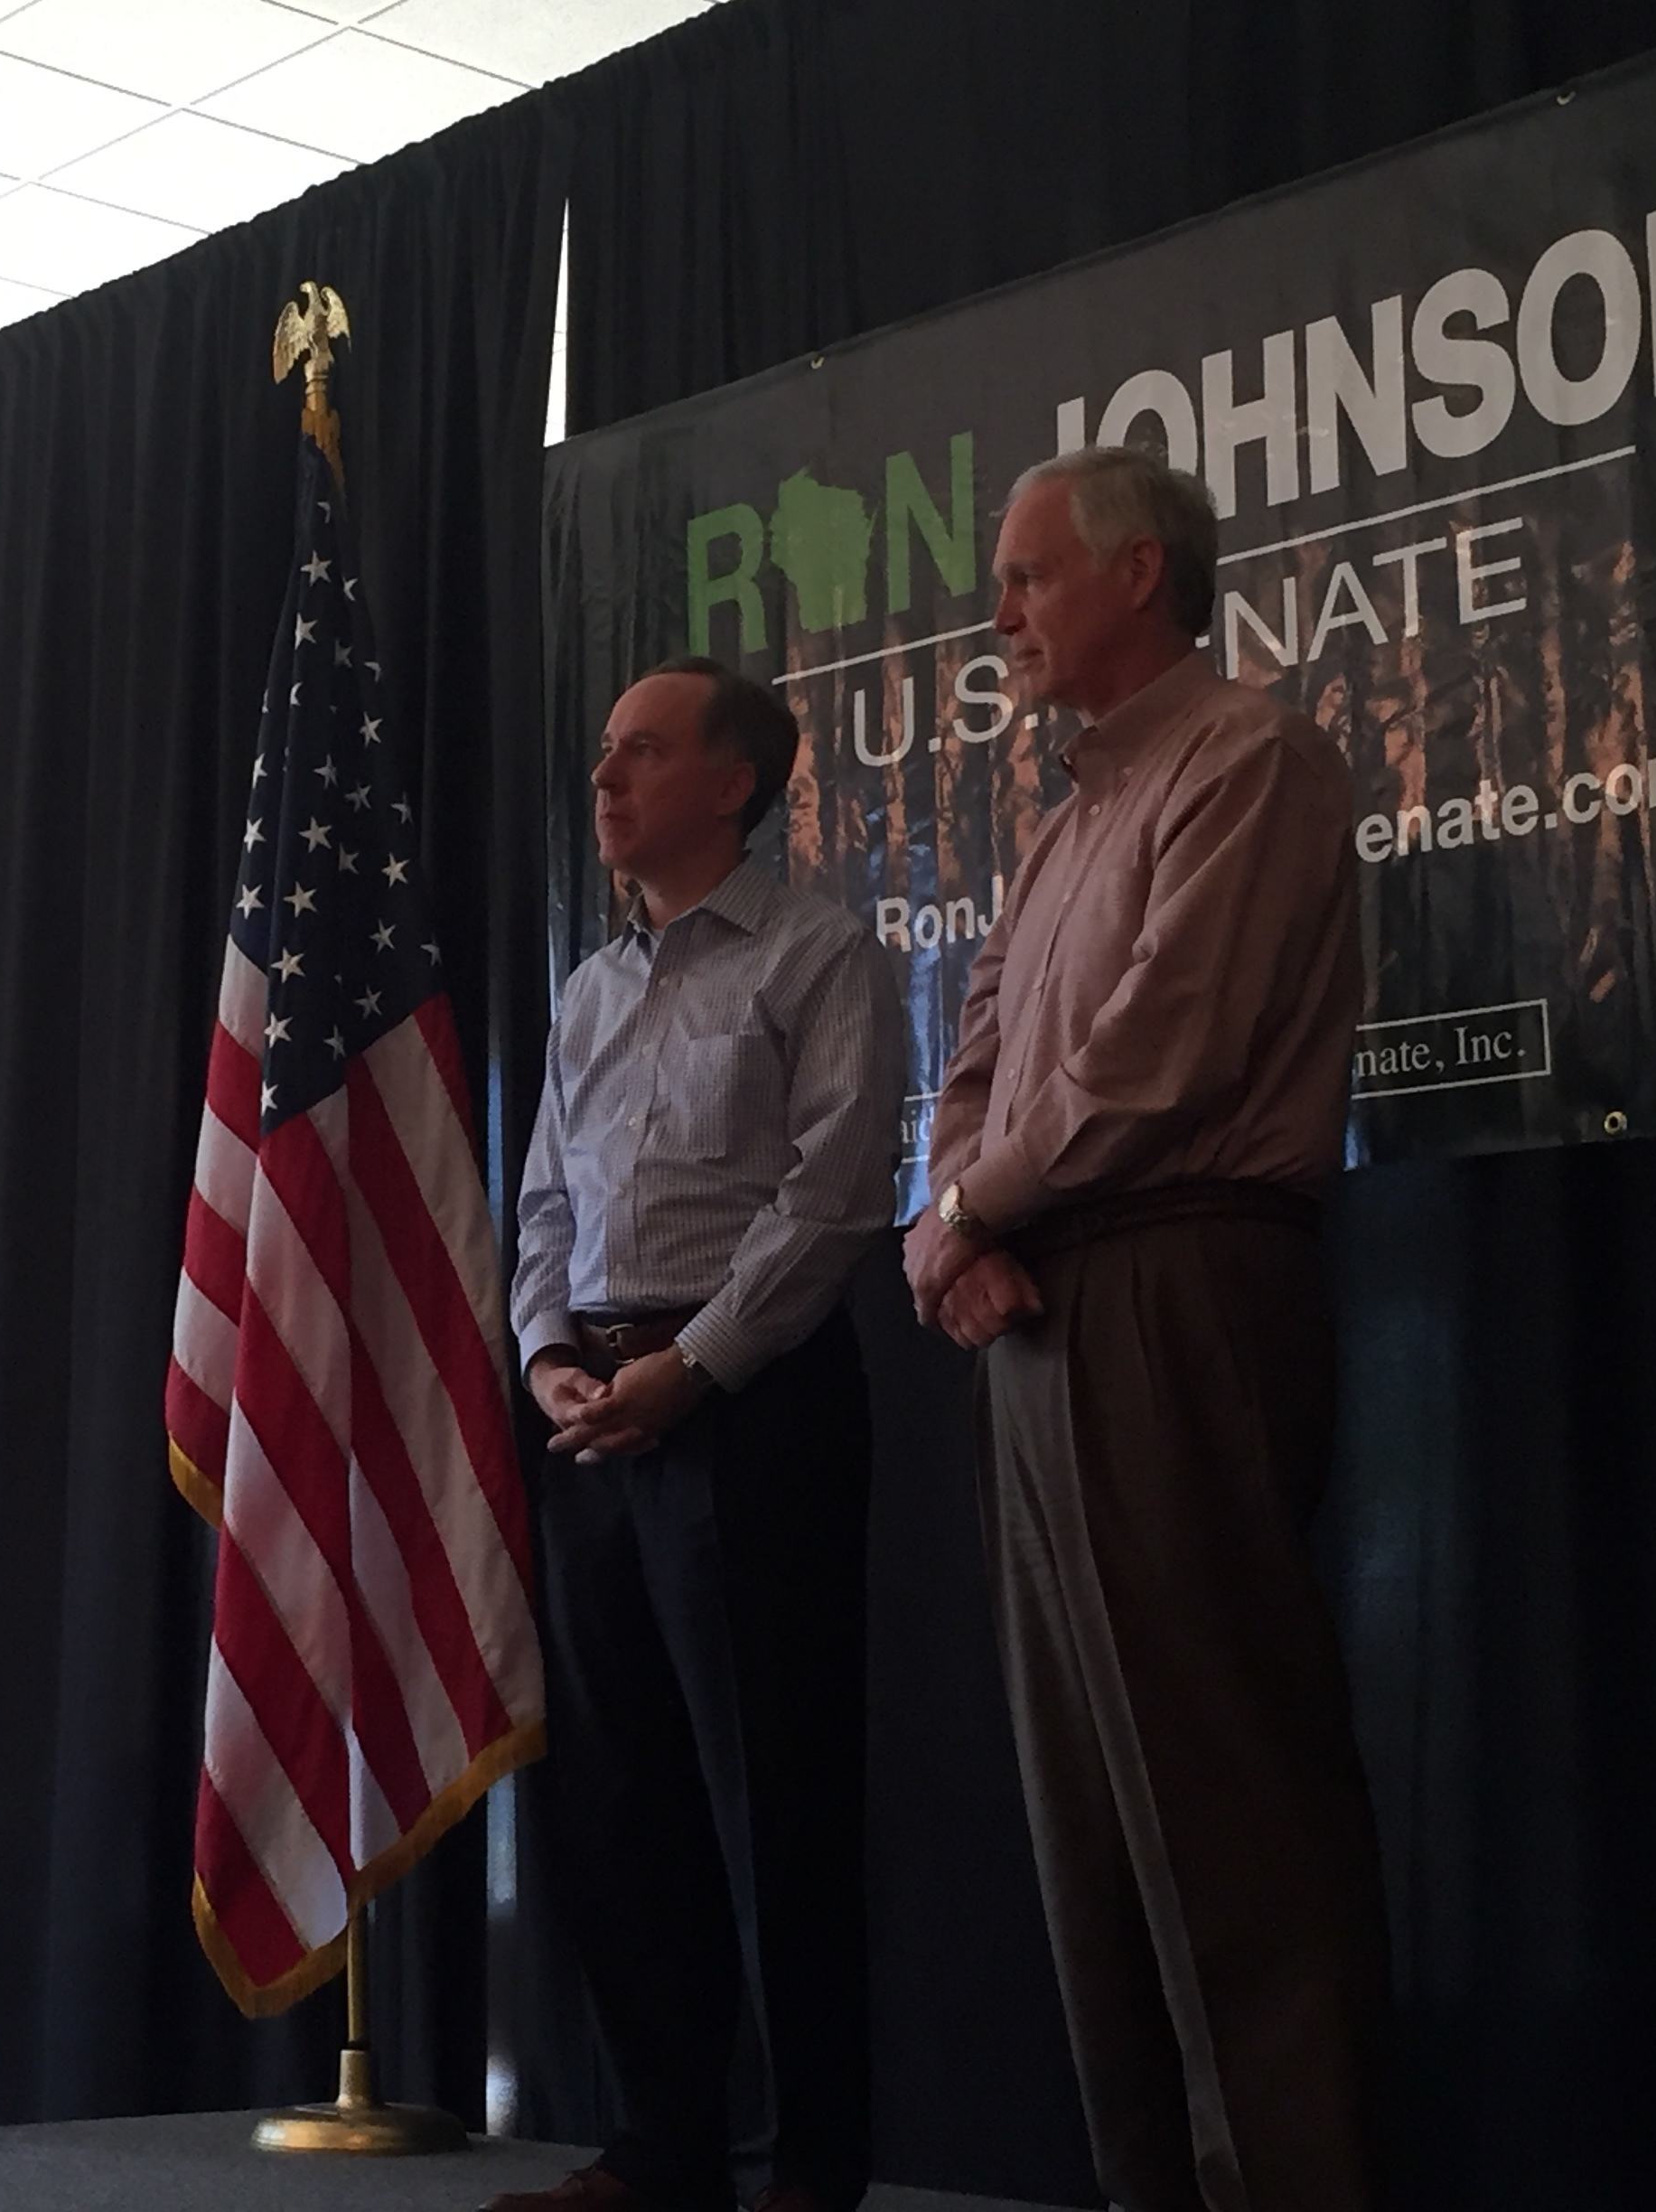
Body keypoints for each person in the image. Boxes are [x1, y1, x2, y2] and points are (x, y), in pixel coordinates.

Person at [906, 445, 1389, 2212]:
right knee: (1091, 1826)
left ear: (1136, 577)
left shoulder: (1247, 759)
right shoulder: (1057, 822)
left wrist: (966, 1213)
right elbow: (968, 1076)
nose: (1002, 611)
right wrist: (954, 1232)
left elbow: (1157, 1057)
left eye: (1029, 575)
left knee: (1225, 1813)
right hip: (1037, 1310)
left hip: (1186, 1285)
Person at [495, 658, 904, 2212]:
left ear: (730, 783)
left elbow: (831, 1195)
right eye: (601, 752)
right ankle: (660, 2145)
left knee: (774, 1796)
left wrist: (695, 1366)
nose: (602, 779)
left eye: (641, 752)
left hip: (750, 1408)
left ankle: (810, 2162)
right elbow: (542, 1197)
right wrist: (543, 1357)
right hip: (592, 1416)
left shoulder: (816, 955)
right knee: (616, 1799)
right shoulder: (588, 985)